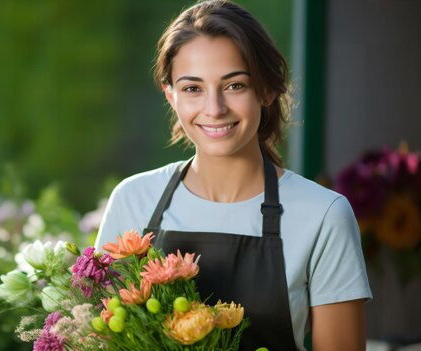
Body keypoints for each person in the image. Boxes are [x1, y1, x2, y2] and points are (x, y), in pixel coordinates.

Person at [94, 1, 372, 350]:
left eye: (234, 85)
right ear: (171, 96)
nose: (214, 109)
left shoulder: (324, 215)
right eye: (193, 88)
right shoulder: (134, 200)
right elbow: (101, 339)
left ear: (268, 89)